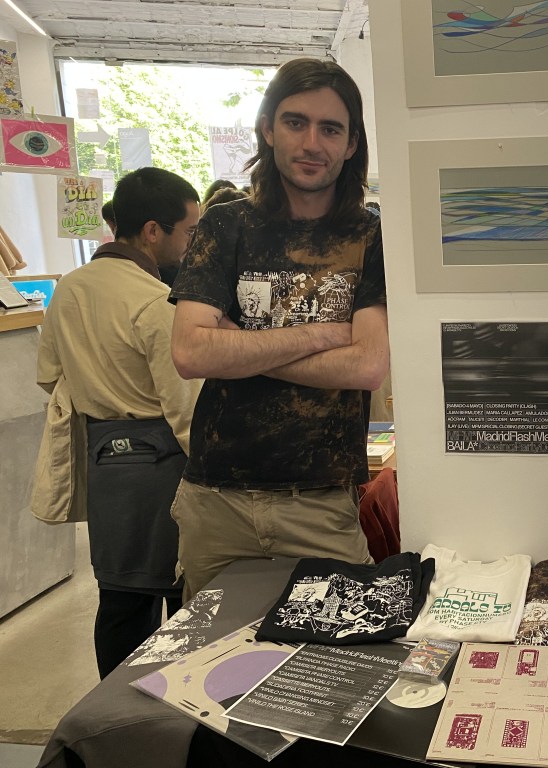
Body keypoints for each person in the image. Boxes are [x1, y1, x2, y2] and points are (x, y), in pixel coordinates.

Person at [169, 58, 388, 601]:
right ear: (268, 129)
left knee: (345, 646)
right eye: (295, 122)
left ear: (352, 143)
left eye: (330, 128)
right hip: (215, 496)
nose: (312, 143)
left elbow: (367, 366)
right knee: (207, 648)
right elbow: (191, 353)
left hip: (320, 498)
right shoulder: (225, 225)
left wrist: (238, 343)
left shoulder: (371, 237)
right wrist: (326, 333)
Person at [36, 167, 202, 677]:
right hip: (161, 464)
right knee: (183, 601)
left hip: (104, 461)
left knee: (120, 599)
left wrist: (99, 389)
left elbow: (48, 375)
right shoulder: (155, 302)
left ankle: (113, 712)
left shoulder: (69, 289)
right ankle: (173, 709)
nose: (192, 244)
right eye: (189, 231)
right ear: (152, 231)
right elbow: (184, 409)